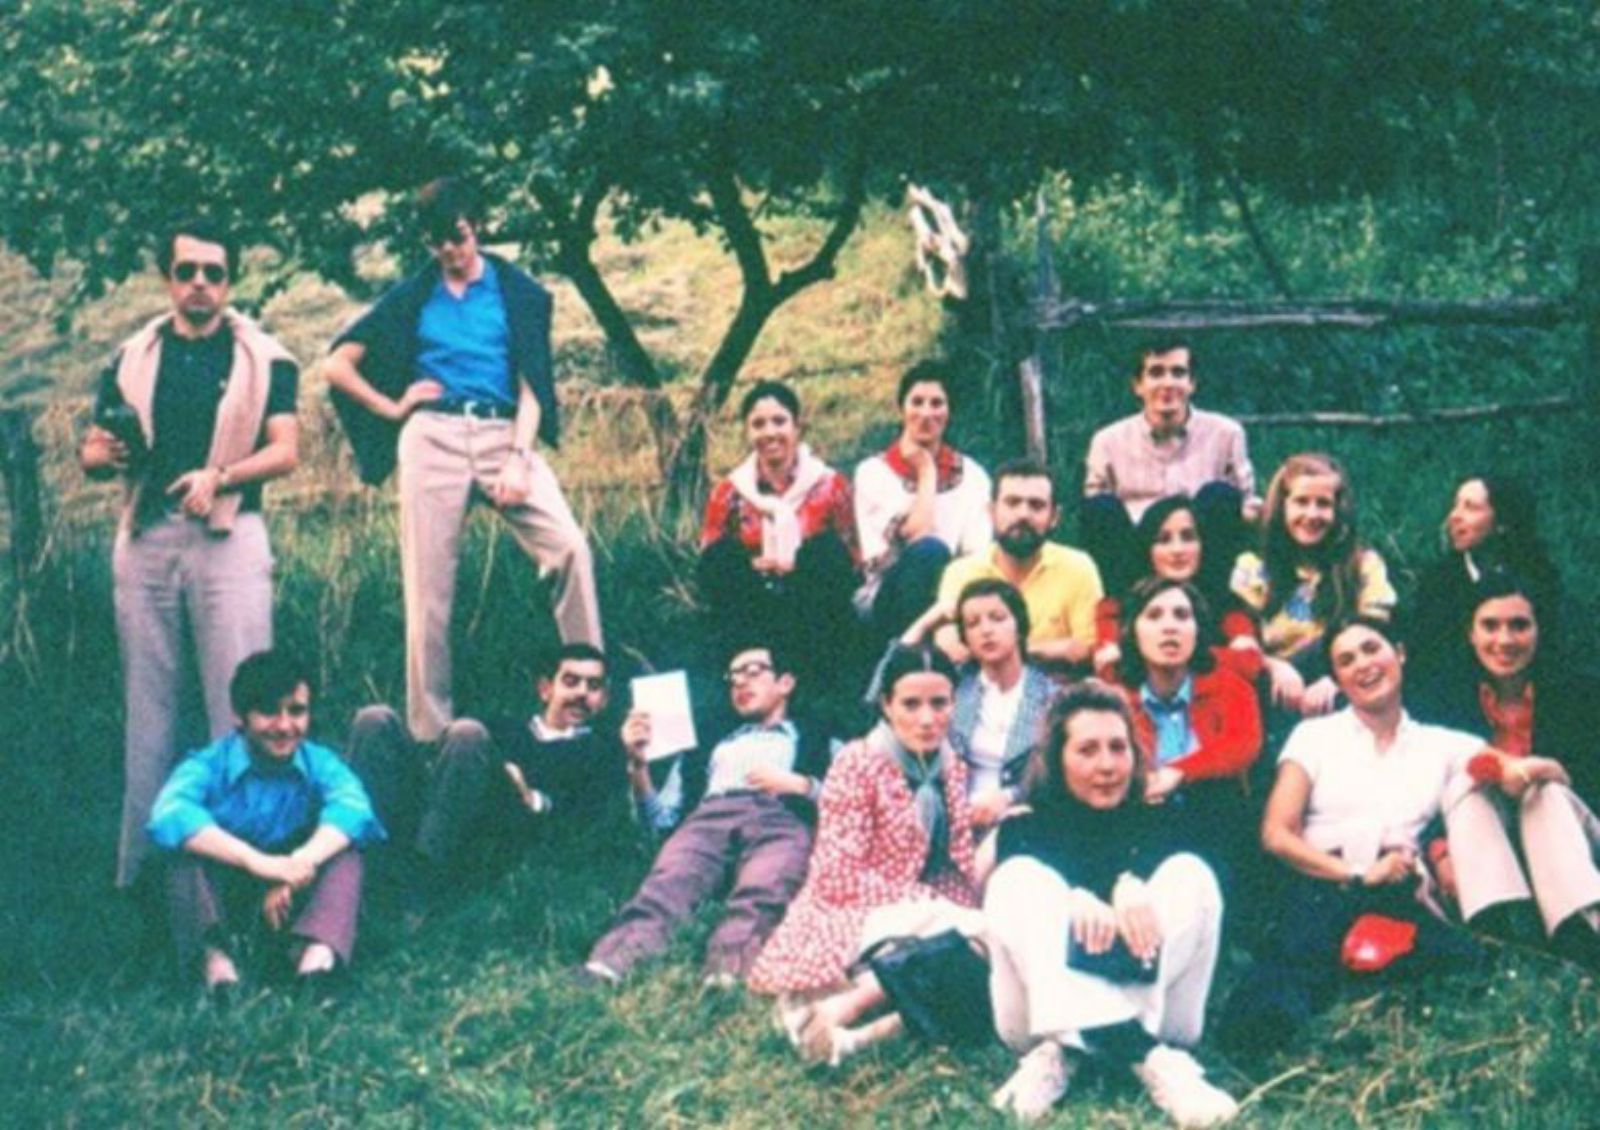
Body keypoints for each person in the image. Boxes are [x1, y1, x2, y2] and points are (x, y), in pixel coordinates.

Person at [326, 176, 601, 741]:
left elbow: (534, 387)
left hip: (504, 430)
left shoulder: (517, 291)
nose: (450, 251)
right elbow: (337, 365)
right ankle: (434, 735)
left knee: (570, 548)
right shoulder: (414, 294)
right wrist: (393, 406)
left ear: (477, 226)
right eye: (437, 242)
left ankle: (588, 700)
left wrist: (520, 460)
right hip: (434, 435)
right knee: (429, 589)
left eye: (458, 236)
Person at [79, 216, 301, 891]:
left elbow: (287, 450)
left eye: (213, 272)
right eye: (187, 272)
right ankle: (148, 884)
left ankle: (251, 876)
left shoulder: (266, 359)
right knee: (149, 715)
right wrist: (96, 455)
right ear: (167, 279)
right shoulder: (131, 358)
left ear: (231, 280)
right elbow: (96, 449)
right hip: (147, 538)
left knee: (240, 707)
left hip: (228, 538)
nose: (200, 284)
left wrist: (221, 476)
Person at [985, 682, 1237, 1127]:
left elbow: (1200, 901)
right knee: (1016, 879)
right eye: (1087, 750)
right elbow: (1037, 886)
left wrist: (1131, 882)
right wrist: (1073, 898)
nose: (1106, 765)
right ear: (1057, 760)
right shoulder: (1026, 829)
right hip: (1035, 1019)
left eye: (1118, 748)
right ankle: (1146, 1058)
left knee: (1190, 873)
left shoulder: (1163, 820)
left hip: (1158, 1006)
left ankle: (1074, 1045)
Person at [1224, 618, 1482, 1050]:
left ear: (1399, 652)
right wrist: (1357, 872)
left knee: (1464, 963)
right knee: (1283, 978)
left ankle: (1374, 985)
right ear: (1337, 678)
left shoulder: (1442, 745)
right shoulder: (1315, 736)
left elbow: (1504, 768)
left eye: (1371, 648)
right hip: (1325, 876)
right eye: (1346, 660)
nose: (1362, 664)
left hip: (1399, 882)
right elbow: (1276, 833)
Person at [749, 646, 981, 1065]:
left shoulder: (951, 766)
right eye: (911, 704)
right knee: (969, 942)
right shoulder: (857, 762)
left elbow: (951, 860)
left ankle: (853, 1037)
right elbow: (836, 873)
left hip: (919, 902)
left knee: (976, 950)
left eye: (939, 703)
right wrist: (922, 901)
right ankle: (842, 1016)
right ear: (887, 705)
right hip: (851, 908)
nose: (927, 719)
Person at [582, 643, 831, 985]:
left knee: (765, 889)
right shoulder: (710, 745)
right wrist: (637, 765)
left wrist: (803, 785)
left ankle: (727, 973)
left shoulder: (819, 735)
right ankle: (611, 964)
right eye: (733, 677)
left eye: (753, 671)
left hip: (782, 819)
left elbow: (857, 798)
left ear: (785, 683)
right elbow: (659, 819)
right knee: (668, 883)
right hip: (710, 817)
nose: (740, 682)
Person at [145, 651, 384, 1000]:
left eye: (297, 711)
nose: (285, 726)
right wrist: (259, 864)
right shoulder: (209, 765)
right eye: (270, 711)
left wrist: (297, 865)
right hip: (227, 895)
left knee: (347, 852)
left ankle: (316, 965)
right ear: (240, 717)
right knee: (182, 854)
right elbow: (169, 814)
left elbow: (355, 809)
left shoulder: (318, 762)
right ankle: (217, 971)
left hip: (293, 898)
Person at [348, 643, 624, 923]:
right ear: (545, 689)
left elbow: (585, 815)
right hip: (438, 800)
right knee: (374, 720)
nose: (581, 693)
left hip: (492, 829)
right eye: (571, 681)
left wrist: (532, 798)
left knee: (468, 734)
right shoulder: (504, 727)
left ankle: (419, 887)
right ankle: (363, 875)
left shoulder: (601, 751)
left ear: (603, 699)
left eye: (593, 686)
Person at [1411, 573, 1600, 965]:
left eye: (1519, 625)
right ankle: (1502, 926)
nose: (1505, 640)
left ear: (1539, 630)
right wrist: (1441, 853)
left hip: (1571, 840)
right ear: (1470, 633)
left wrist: (1548, 771)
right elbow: (1425, 793)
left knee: (1541, 792)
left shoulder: (1580, 695)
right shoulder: (1445, 698)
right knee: (1466, 776)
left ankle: (1580, 931)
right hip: (1487, 848)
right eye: (1490, 626)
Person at [698, 381, 859, 679]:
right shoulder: (729, 492)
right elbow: (711, 566)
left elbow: (851, 560)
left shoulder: (830, 486)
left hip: (811, 604)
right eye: (758, 424)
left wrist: (797, 566)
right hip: (752, 605)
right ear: (747, 433)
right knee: (722, 557)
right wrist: (752, 566)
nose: (770, 432)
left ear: (797, 427)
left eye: (779, 421)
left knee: (824, 551)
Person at [1112, 579, 1262, 880]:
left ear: (1198, 629)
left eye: (1182, 615)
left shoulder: (1229, 686)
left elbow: (1243, 744)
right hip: (1140, 828)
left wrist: (1179, 772)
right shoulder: (1115, 699)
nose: (1170, 627)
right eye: (1154, 616)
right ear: (1133, 630)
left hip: (1215, 825)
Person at [1082, 342, 1258, 597]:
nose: (1167, 383)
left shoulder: (1226, 434)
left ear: (1192, 383)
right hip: (1135, 552)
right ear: (1138, 385)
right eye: (1156, 373)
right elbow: (1096, 516)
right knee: (1100, 508)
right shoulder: (1107, 441)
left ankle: (1215, 607)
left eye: (1177, 373)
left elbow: (1244, 503)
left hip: (1200, 554)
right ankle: (1120, 610)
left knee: (1220, 495)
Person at [1231, 452, 1395, 716]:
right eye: (1301, 502)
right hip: (1275, 685)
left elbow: (1376, 628)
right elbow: (1238, 635)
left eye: (1323, 504)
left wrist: (1337, 676)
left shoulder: (1363, 565)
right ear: (1283, 505)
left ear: (1338, 510)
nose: (1312, 514)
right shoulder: (1254, 566)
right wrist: (1272, 666)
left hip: (1341, 682)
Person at [853, 361, 991, 639]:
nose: (926, 413)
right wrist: (926, 471)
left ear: (949, 412)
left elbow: (977, 554)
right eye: (917, 402)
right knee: (929, 552)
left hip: (956, 593)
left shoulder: (973, 476)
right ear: (902, 409)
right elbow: (917, 538)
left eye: (937, 403)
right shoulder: (873, 473)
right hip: (888, 592)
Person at [932, 459, 1103, 670]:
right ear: (991, 511)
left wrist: (991, 650)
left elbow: (1083, 650)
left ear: (1055, 517)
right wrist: (1048, 650)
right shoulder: (962, 572)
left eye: (1036, 505)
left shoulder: (1078, 567)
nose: (1023, 514)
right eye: (1012, 503)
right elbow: (950, 648)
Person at [1406, 473, 1560, 690]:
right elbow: (1427, 660)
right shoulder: (1437, 583)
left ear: (1502, 522)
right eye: (1455, 506)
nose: (1454, 517)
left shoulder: (1539, 578)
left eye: (1471, 507)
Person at [1092, 494, 1262, 683]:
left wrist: (1150, 657)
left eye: (1188, 537)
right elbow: (1109, 667)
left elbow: (1249, 663)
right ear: (1148, 548)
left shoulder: (1226, 604)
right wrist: (1211, 658)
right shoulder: (1116, 605)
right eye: (1163, 540)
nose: (1177, 550)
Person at [947, 579, 1058, 832]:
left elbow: (1058, 774)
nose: (986, 630)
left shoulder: (1051, 696)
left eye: (997, 618)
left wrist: (1008, 796)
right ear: (965, 638)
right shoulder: (954, 688)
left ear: (1019, 626)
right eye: (973, 624)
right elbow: (881, 695)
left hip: (1025, 815)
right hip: (958, 817)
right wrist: (929, 620)